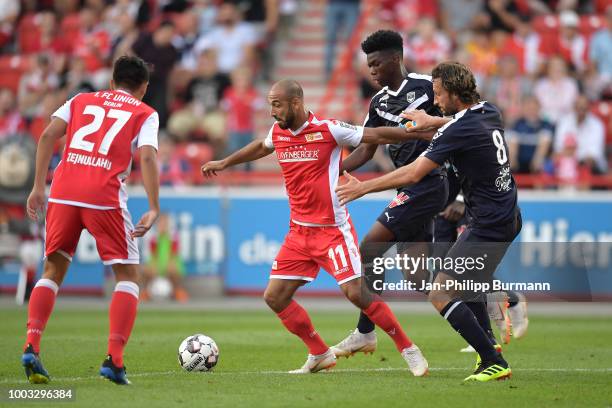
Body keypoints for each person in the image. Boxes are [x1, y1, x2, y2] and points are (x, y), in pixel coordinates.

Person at [201, 79, 430, 375]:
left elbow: (373, 134)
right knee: (275, 297)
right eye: (271, 104)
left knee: (356, 293)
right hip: (299, 232)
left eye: (276, 104)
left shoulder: (328, 129)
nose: (272, 111)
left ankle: (408, 348)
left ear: (296, 103)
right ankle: (319, 353)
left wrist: (417, 131)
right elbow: (260, 146)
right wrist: (225, 162)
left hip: (332, 230)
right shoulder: (278, 132)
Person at [336, 62, 522, 382]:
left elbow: (412, 173)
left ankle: (493, 358)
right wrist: (429, 120)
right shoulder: (488, 110)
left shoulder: (454, 131)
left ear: (452, 91)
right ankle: (491, 340)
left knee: (440, 292)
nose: (435, 100)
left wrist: (363, 186)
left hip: (488, 224)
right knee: (446, 284)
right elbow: (456, 121)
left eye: (438, 94)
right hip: (506, 215)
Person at [22, 55, 160, 385]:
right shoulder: (145, 112)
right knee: (127, 275)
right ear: (143, 88)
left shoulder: (81, 99)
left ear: (113, 81)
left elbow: (46, 136)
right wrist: (154, 206)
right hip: (104, 195)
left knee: (52, 270)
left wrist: (38, 187)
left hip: (63, 191)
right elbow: (148, 155)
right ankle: (114, 360)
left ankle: (32, 345)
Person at [329, 30, 448, 359]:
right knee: (419, 276)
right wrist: (333, 171)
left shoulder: (427, 86)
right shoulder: (378, 102)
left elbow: (456, 122)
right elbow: (366, 149)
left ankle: (364, 332)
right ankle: (494, 298)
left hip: (432, 180)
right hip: (407, 187)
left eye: (376, 63)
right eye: (368, 65)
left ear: (395, 58)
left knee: (370, 248)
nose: (371, 70)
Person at [141, 212, 189, 302]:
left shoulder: (173, 237)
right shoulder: (153, 238)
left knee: (173, 269)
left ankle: (177, 291)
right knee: (146, 270)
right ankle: (146, 291)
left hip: (170, 264)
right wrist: (153, 265)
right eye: (161, 223)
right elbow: (152, 256)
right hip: (157, 265)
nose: (163, 225)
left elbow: (174, 256)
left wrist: (169, 264)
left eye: (165, 223)